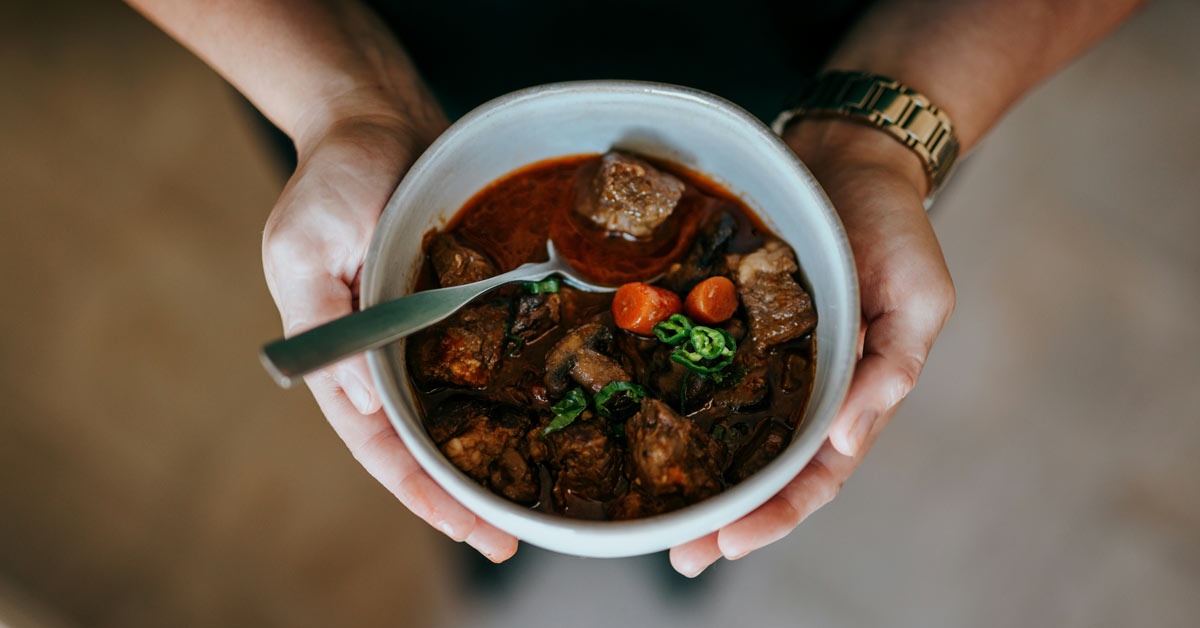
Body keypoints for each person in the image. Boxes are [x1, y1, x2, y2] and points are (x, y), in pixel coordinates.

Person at [126, 0, 1146, 577]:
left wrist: (882, 132)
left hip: (806, 85)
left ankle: (669, 579)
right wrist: (339, 97)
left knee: (709, 528)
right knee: (478, 522)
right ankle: (511, 566)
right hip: (379, 45)